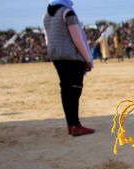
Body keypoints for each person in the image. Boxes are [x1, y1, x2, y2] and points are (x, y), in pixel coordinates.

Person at [43, 0, 95, 136]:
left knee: (65, 90)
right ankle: (75, 125)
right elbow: (78, 39)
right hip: (72, 57)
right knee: (74, 91)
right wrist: (88, 59)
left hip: (57, 57)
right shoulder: (68, 13)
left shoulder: (46, 15)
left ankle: (70, 124)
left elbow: (47, 39)